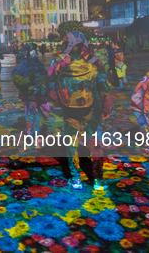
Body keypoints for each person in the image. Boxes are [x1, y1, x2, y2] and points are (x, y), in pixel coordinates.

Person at [49, 32, 112, 190]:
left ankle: (76, 179)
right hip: (92, 108)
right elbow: (103, 86)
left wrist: (58, 100)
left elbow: (49, 81)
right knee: (95, 143)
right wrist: (106, 107)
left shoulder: (60, 61)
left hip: (69, 109)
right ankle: (98, 179)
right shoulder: (94, 60)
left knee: (71, 143)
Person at [12, 43, 50, 136]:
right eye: (34, 51)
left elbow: (45, 74)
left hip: (40, 92)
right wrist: (27, 81)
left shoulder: (38, 62)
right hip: (28, 93)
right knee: (30, 114)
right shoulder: (23, 63)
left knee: (45, 111)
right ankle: (31, 134)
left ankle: (35, 129)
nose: (35, 53)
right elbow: (15, 75)